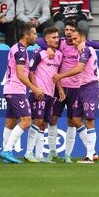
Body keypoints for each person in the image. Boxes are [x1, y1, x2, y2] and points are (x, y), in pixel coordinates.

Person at [36, 19, 99, 163]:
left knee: (73, 121)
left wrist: (87, 42)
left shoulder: (83, 45)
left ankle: (69, 154)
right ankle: (52, 152)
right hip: (60, 86)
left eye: (72, 31)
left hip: (77, 87)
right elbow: (40, 41)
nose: (69, 33)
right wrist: (46, 48)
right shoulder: (61, 43)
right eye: (66, 30)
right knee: (52, 119)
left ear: (77, 33)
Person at [52, 28, 99, 164]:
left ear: (83, 38)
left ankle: (90, 156)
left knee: (89, 121)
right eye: (71, 39)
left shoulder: (85, 50)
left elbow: (79, 68)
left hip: (90, 87)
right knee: (75, 119)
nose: (73, 42)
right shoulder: (83, 49)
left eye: (76, 39)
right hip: (81, 87)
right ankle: (92, 152)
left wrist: (60, 76)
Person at [0, 23, 42, 163]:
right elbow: (20, 74)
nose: (36, 36)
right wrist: (34, 88)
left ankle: (7, 154)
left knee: (10, 123)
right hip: (16, 90)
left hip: (10, 89)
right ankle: (6, 151)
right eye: (34, 33)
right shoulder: (21, 50)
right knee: (26, 121)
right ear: (26, 35)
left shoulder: (15, 48)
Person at [24, 26, 65, 163]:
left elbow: (56, 75)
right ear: (45, 40)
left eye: (57, 37)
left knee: (44, 124)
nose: (56, 40)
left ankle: (40, 155)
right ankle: (29, 152)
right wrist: (35, 88)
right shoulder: (39, 53)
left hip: (50, 93)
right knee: (38, 121)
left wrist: (59, 89)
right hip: (39, 92)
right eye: (53, 37)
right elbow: (30, 71)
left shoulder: (59, 55)